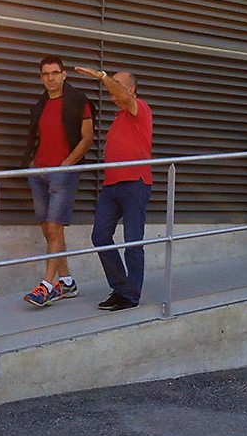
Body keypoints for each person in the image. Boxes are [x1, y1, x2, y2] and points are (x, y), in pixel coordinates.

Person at [75, 65, 153, 312]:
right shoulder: (119, 117)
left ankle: (131, 295)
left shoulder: (139, 108)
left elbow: (122, 96)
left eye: (117, 85)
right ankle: (121, 287)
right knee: (100, 236)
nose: (111, 91)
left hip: (135, 183)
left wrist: (101, 76)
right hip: (111, 186)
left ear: (131, 89)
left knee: (133, 241)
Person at [21, 56, 93, 308]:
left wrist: (67, 163)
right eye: (45, 74)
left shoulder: (78, 101)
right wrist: (32, 163)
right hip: (38, 172)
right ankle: (67, 282)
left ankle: (47, 285)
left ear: (64, 74)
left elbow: (87, 138)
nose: (50, 78)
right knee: (49, 230)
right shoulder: (40, 104)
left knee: (54, 228)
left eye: (54, 73)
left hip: (63, 172)